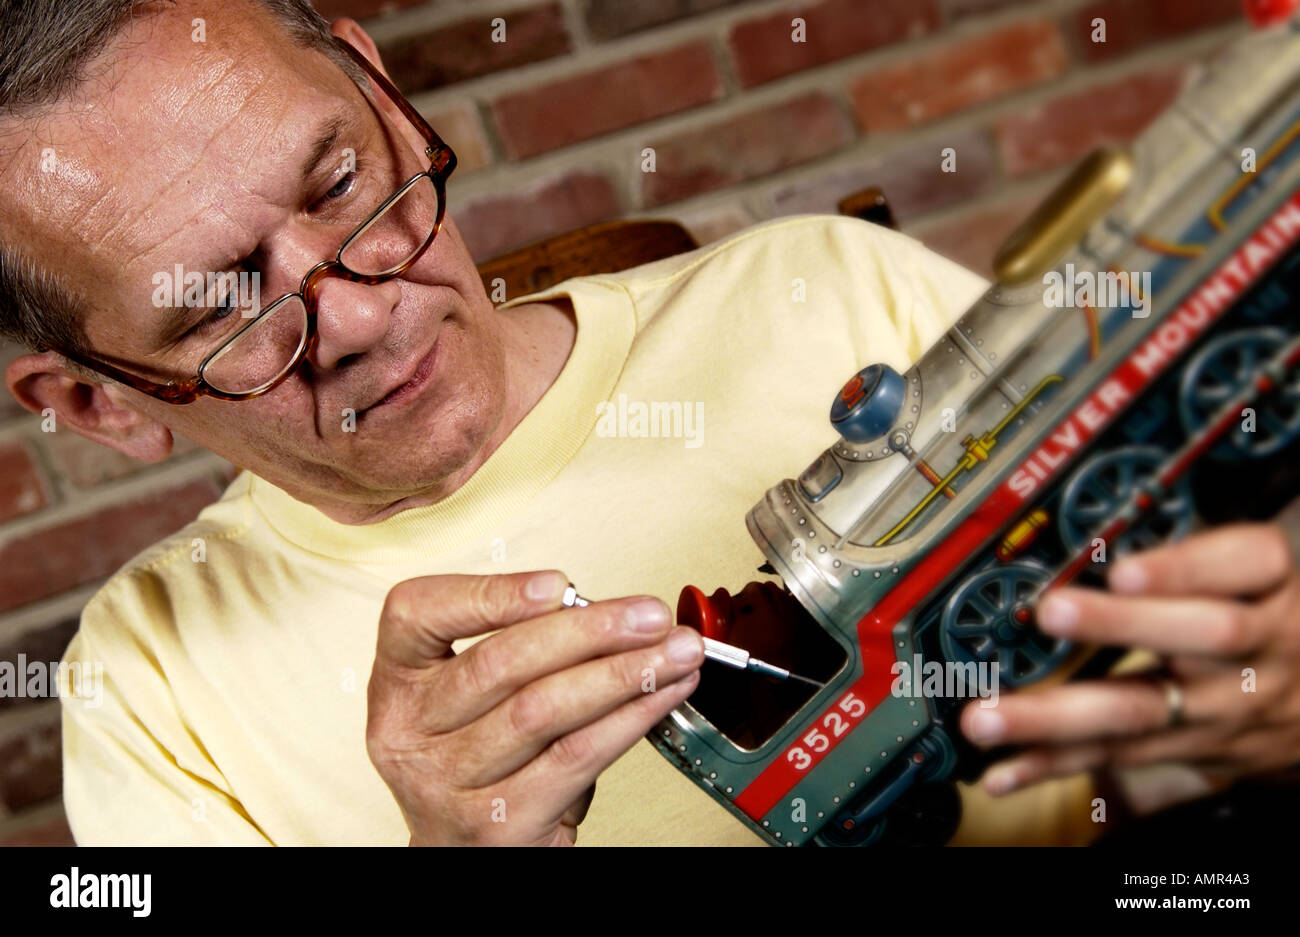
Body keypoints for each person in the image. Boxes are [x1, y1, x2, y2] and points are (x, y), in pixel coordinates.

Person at [3, 0, 1297, 845]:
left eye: (343, 180)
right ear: (95, 401)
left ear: (385, 90)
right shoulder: (151, 690)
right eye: (224, 307)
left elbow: (1184, 723)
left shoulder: (827, 284)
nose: (357, 309)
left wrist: (1268, 691)